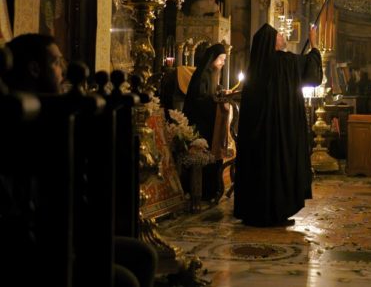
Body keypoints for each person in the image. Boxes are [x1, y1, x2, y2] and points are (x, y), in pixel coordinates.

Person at [3, 33, 156, 287]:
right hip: (36, 244)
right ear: (34, 68)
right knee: (124, 279)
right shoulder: (20, 117)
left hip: (63, 230)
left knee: (142, 254)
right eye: (56, 62)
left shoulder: (56, 109)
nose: (63, 71)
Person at [234, 24, 322, 227]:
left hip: (258, 138)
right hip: (279, 132)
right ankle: (276, 212)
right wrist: (314, 44)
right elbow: (312, 75)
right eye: (279, 34)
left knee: (260, 168)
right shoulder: (284, 61)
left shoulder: (255, 68)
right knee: (277, 167)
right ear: (272, 42)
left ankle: (254, 212)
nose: (282, 36)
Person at [182, 43, 228, 201]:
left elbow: (211, 94)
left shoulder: (214, 73)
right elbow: (199, 100)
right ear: (212, 59)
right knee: (204, 155)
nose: (223, 63)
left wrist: (220, 94)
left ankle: (211, 190)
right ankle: (201, 191)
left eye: (224, 59)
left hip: (210, 121)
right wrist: (216, 100)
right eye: (221, 59)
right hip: (200, 122)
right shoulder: (203, 75)